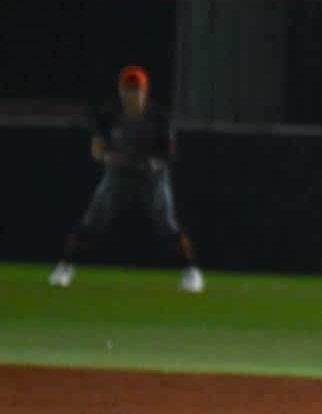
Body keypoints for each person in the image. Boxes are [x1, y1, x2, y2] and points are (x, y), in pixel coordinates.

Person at [50, 65, 205, 294]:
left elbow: (168, 154)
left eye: (136, 90)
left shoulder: (159, 118)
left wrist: (153, 163)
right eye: (128, 89)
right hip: (119, 173)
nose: (132, 94)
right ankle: (65, 267)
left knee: (166, 223)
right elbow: (96, 148)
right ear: (120, 91)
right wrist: (108, 157)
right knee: (93, 219)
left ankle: (191, 272)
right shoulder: (108, 115)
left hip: (152, 176)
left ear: (145, 92)